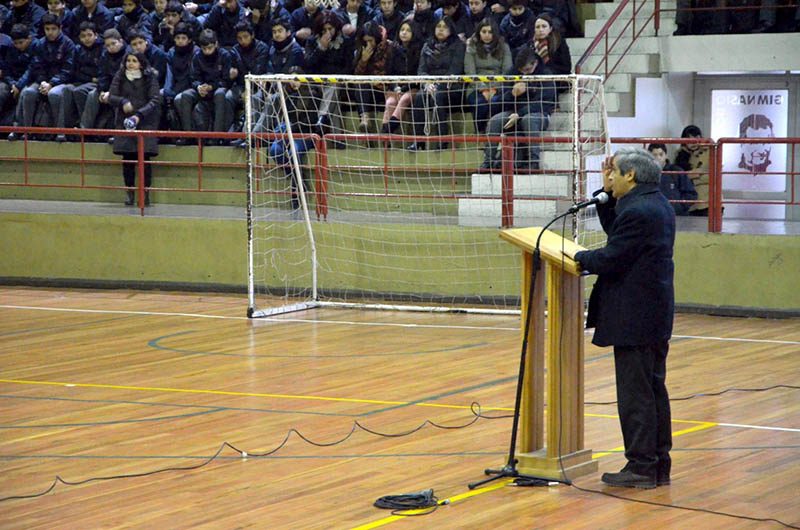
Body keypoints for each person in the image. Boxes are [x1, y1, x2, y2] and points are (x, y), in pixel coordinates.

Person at [570, 147, 675, 490]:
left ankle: (642, 466)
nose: (609, 176)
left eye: (613, 171)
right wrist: (605, 196)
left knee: (636, 395)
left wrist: (577, 255)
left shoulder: (640, 210)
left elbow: (612, 256)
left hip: (635, 316)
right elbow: (620, 235)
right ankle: (656, 464)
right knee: (651, 390)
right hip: (651, 313)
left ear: (630, 175)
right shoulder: (652, 202)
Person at [102, 50, 161, 205]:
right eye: (128, 60)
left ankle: (145, 193)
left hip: (145, 121)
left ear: (141, 63)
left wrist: (139, 115)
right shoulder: (120, 76)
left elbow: (155, 100)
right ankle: (129, 192)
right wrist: (122, 102)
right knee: (127, 159)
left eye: (134, 60)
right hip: (125, 121)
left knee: (145, 160)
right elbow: (111, 96)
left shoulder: (150, 77)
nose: (131, 63)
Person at [482, 47, 556, 170]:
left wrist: (520, 113)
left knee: (529, 119)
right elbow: (501, 101)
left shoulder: (546, 74)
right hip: (514, 112)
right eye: (521, 71)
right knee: (495, 121)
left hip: (539, 114)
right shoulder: (512, 73)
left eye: (527, 70)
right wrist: (512, 94)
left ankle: (533, 161)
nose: (524, 74)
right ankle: (488, 161)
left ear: (535, 63)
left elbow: (543, 103)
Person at [408, 16, 465, 151]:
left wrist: (438, 84)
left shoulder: (458, 45)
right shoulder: (427, 45)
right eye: (438, 27)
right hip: (430, 85)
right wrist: (427, 83)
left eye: (444, 27)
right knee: (419, 98)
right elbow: (421, 70)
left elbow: (455, 70)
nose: (440, 30)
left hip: (451, 86)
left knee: (438, 96)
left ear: (451, 30)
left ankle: (442, 140)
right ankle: (419, 141)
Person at [268, 66, 319, 211]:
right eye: (291, 79)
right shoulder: (284, 95)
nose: (294, 82)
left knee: (294, 152)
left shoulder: (312, 94)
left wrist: (291, 128)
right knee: (275, 150)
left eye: (297, 79)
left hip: (305, 135)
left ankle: (296, 193)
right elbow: (282, 118)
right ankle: (298, 181)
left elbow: (311, 120)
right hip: (288, 134)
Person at [463, 17, 511, 134]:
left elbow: (507, 71)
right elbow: (470, 72)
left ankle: (495, 134)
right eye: (484, 32)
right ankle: (480, 134)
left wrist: (494, 88)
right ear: (479, 33)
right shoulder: (471, 46)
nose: (487, 35)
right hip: (476, 87)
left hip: (499, 87)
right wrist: (483, 88)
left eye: (490, 32)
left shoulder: (504, 47)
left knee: (496, 102)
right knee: (480, 104)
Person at [381, 18, 421, 134]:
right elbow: (389, 73)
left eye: (408, 30)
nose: (404, 32)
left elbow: (417, 75)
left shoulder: (419, 50)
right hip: (396, 87)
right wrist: (395, 87)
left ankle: (388, 129)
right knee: (390, 103)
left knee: (405, 99)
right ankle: (384, 139)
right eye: (402, 30)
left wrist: (403, 89)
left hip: (413, 87)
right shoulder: (392, 49)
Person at [648, 142, 697, 216]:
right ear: (649, 156)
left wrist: (679, 207)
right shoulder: (645, 174)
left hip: (677, 216)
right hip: (653, 216)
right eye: (654, 155)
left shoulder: (676, 172)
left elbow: (691, 194)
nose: (658, 158)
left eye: (661, 154)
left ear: (666, 155)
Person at [674, 124, 710, 216]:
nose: (694, 143)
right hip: (687, 203)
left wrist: (690, 179)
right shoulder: (680, 155)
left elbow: (713, 176)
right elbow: (678, 178)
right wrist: (699, 173)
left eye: (696, 139)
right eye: (690, 140)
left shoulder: (710, 152)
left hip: (707, 202)